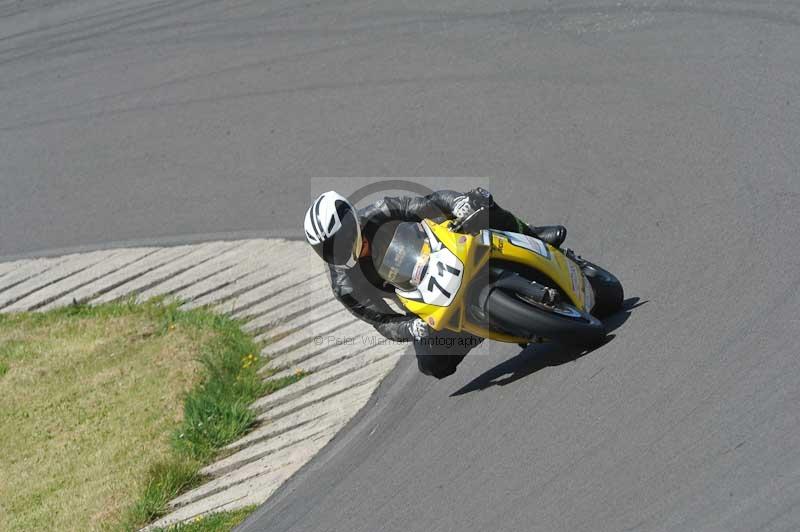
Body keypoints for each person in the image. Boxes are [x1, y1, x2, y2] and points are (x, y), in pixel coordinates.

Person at [303, 188, 568, 379]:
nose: (338, 250)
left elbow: (426, 204)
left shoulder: (380, 211)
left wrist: (458, 205)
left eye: (340, 238)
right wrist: (412, 328)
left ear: (351, 219)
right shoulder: (343, 284)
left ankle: (531, 235)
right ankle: (475, 331)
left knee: (480, 202)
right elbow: (381, 322)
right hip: (426, 300)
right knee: (431, 364)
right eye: (328, 248)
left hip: (445, 251)